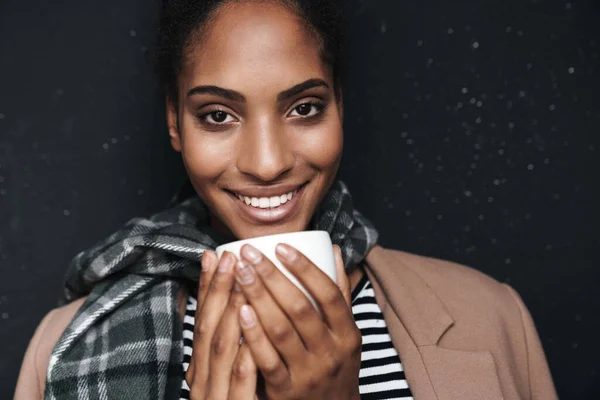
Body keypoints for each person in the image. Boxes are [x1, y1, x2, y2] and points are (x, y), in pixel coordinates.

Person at [15, 0, 558, 399]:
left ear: (340, 104)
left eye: (304, 108)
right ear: (174, 123)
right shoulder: (62, 347)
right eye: (217, 116)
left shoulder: (491, 317)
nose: (268, 162)